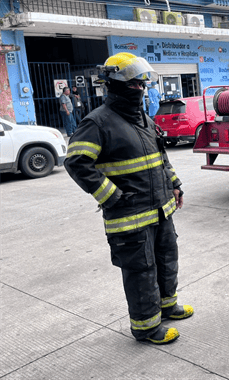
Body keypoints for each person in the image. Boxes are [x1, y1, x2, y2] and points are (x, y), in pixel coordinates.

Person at [64, 52, 193, 345]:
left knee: (166, 260)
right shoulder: (97, 123)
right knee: (141, 271)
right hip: (129, 216)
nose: (141, 88)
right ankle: (146, 328)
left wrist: (175, 185)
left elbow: (160, 158)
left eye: (143, 82)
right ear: (116, 84)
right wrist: (112, 197)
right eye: (135, 83)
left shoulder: (143, 119)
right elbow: (76, 162)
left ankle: (167, 306)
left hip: (160, 210)